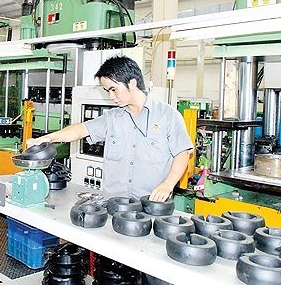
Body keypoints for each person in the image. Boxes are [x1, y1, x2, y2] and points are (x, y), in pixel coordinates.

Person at [29, 56, 193, 202]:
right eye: (107, 91)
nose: (111, 96)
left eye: (113, 89)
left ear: (132, 83)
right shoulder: (113, 117)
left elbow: (182, 154)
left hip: (153, 204)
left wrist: (167, 185)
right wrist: (49, 138)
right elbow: (81, 129)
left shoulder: (168, 115)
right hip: (114, 205)